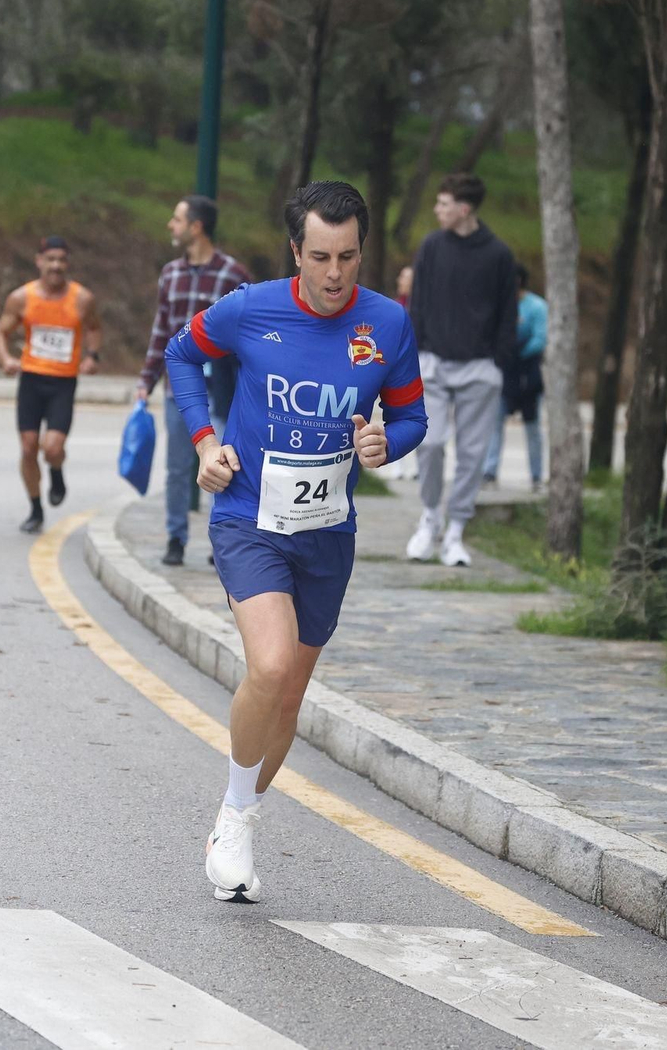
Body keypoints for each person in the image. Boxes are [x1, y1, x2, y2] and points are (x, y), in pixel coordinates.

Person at [164, 181, 427, 903]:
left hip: (326, 532)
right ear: (295, 253)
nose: (336, 273)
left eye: (348, 256)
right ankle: (234, 817)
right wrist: (204, 439)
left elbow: (411, 417)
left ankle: (237, 819)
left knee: (289, 697)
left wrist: (384, 443)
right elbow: (181, 356)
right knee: (272, 666)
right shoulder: (252, 309)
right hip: (248, 514)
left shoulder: (388, 324)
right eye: (320, 257)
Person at [405, 172, 517, 567]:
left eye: (444, 203)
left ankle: (456, 531)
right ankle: (430, 516)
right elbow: (417, 301)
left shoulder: (499, 255)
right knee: (430, 443)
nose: (437, 210)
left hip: (480, 369)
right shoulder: (432, 246)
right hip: (433, 362)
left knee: (472, 455)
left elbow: (509, 313)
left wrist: (498, 361)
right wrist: (415, 351)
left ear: (464, 209)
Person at [135, 195, 251, 567]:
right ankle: (175, 538)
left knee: (223, 465)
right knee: (177, 467)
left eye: (177, 219)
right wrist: (146, 379)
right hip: (177, 390)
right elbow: (161, 332)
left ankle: (222, 542)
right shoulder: (170, 274)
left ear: (196, 226)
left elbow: (250, 338)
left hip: (221, 391)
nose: (171, 225)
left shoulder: (235, 276)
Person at [0, 236, 102, 534]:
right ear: (39, 261)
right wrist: (5, 359)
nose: (56, 265)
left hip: (63, 383)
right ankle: (36, 508)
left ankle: (56, 470)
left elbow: (93, 328)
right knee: (28, 448)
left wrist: (91, 357)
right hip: (31, 379)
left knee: (52, 447)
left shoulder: (81, 299)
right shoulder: (21, 298)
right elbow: (0, 332)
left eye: (61, 260)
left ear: (68, 263)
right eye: (50, 259)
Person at [483, 264, 548, 488]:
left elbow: (540, 338)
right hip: (503, 371)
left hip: (527, 372)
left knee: (532, 426)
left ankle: (537, 475)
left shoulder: (536, 307)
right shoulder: (497, 305)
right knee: (495, 422)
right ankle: (489, 472)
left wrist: (516, 352)